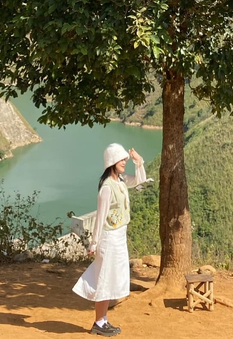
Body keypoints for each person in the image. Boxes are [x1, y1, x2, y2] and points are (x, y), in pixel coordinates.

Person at [73, 143, 146, 337]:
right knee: (104, 279)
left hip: (119, 237)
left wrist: (139, 162)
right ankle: (98, 322)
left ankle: (103, 320)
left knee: (111, 278)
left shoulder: (121, 180)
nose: (124, 162)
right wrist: (94, 243)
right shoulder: (106, 188)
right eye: (121, 159)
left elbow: (140, 181)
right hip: (109, 238)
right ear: (112, 162)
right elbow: (100, 217)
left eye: (124, 159)